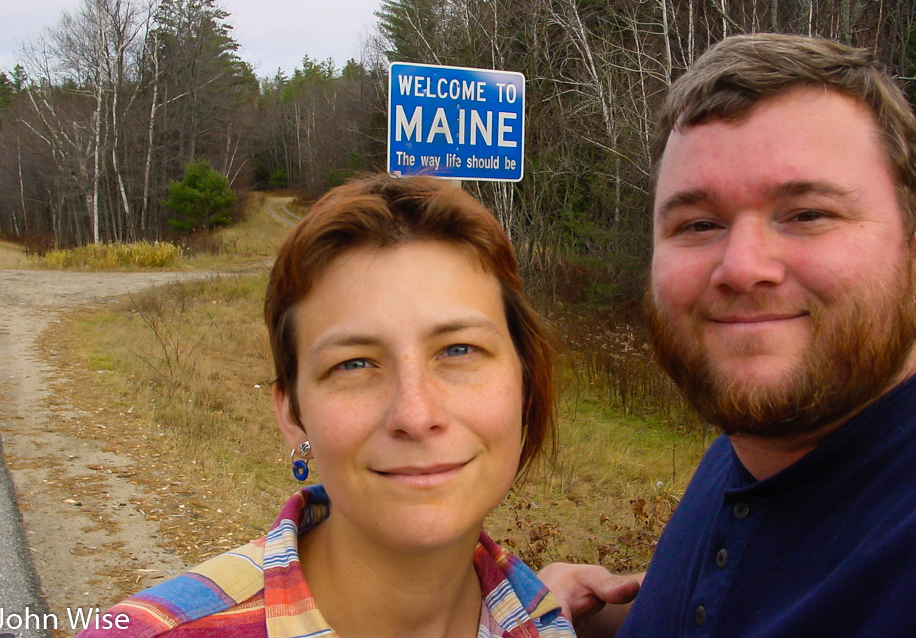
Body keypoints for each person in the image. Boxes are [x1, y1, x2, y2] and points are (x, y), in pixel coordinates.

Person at [77, 174, 614, 637]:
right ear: (292, 414)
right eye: (354, 364)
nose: (415, 414)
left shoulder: (541, 620)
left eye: (458, 350)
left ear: (524, 383)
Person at [541, 32, 916, 637]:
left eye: (807, 214)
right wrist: (596, 619)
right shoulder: (752, 445)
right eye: (700, 224)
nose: (741, 267)